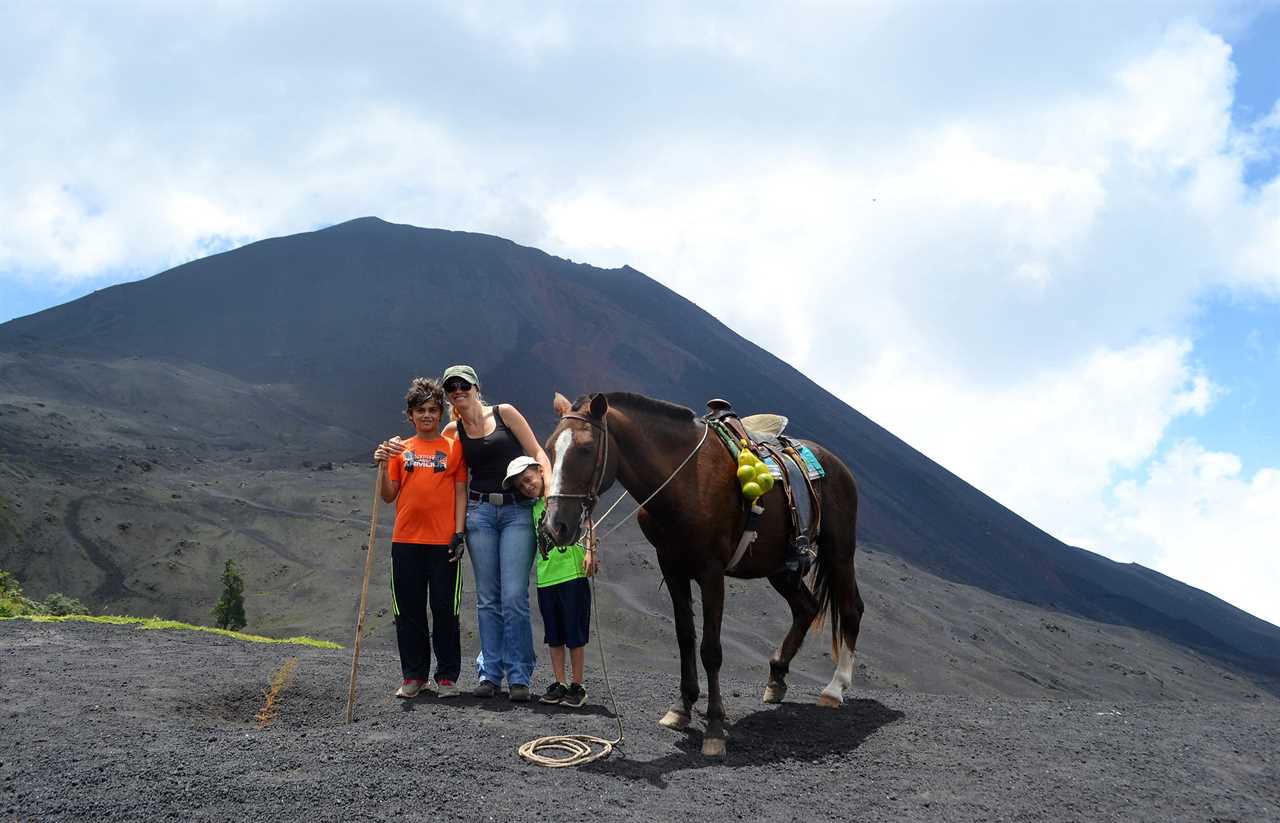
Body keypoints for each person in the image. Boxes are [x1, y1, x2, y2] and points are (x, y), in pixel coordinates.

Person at [440, 365, 551, 702]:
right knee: (488, 597)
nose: (458, 391)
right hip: (479, 514)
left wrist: (547, 500)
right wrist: (395, 450)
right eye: (451, 387)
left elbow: (537, 453)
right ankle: (490, 674)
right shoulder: (452, 430)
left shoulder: (505, 414)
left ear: (476, 386)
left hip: (517, 511)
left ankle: (519, 676)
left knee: (514, 595)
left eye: (464, 385)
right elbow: (431, 456)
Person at [372, 378, 468, 699]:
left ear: (441, 413)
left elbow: (459, 491)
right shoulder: (401, 449)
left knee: (445, 610)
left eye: (433, 409)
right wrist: (385, 464)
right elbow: (388, 496)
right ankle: (414, 676)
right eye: (420, 410)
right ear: (410, 414)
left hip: (443, 544)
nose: (427, 415)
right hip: (406, 541)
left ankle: (446, 678)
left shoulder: (454, 449)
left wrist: (459, 533)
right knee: (408, 611)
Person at [502, 456, 598, 708]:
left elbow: (587, 520)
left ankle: (578, 685)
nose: (526, 487)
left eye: (528, 479)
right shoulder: (533, 509)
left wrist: (590, 552)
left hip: (573, 575)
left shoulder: (565, 498)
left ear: (540, 471)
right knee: (554, 636)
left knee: (575, 634)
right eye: (521, 486)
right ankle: (560, 683)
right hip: (547, 580)